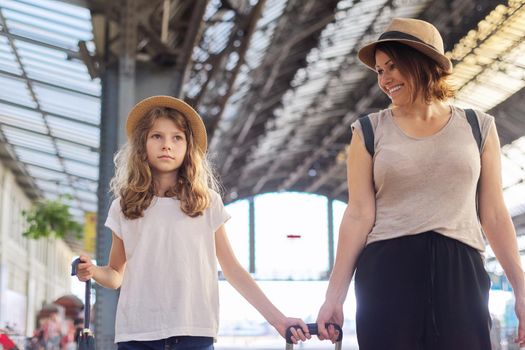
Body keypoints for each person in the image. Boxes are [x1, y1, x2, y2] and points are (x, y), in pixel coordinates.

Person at [315, 18, 525, 349]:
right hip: (388, 271)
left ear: (421, 62)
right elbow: (358, 215)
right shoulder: (369, 130)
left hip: (462, 271)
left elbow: (495, 214)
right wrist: (333, 298)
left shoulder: (478, 126)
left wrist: (521, 291)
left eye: (392, 66)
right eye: (379, 71)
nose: (384, 79)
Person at [75, 95, 310, 349]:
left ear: (188, 148)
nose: (167, 145)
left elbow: (232, 269)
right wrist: (93, 271)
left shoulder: (207, 202)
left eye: (177, 137)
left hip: (194, 332)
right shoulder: (124, 205)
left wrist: (278, 320)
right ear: (143, 145)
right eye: (157, 136)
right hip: (136, 335)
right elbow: (115, 275)